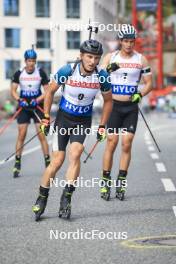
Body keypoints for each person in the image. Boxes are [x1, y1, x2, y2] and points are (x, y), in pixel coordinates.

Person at [32, 39, 112, 221]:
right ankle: (42, 197)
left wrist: (102, 126)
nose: (93, 61)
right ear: (81, 56)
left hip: (83, 121)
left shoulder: (102, 76)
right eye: (89, 56)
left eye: (96, 58)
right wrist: (45, 117)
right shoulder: (68, 70)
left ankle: (66, 198)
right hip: (64, 119)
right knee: (57, 161)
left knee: (75, 154)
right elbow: (50, 92)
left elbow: (108, 101)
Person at [100, 24, 153, 201]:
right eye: (126, 41)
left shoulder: (141, 59)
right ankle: (105, 181)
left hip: (130, 107)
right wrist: (107, 69)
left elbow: (148, 83)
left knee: (127, 143)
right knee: (112, 142)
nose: (129, 44)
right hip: (114, 106)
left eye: (132, 41)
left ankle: (121, 182)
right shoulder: (110, 56)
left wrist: (140, 94)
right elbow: (97, 75)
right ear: (120, 41)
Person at [11, 49, 50, 178]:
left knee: (41, 135)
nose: (31, 63)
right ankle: (17, 162)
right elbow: (13, 90)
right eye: (29, 61)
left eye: (33, 61)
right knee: (22, 134)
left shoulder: (41, 73)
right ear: (25, 61)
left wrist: (37, 100)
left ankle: (47, 162)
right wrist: (19, 100)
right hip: (23, 106)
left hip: (36, 105)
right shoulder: (19, 73)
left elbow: (47, 91)